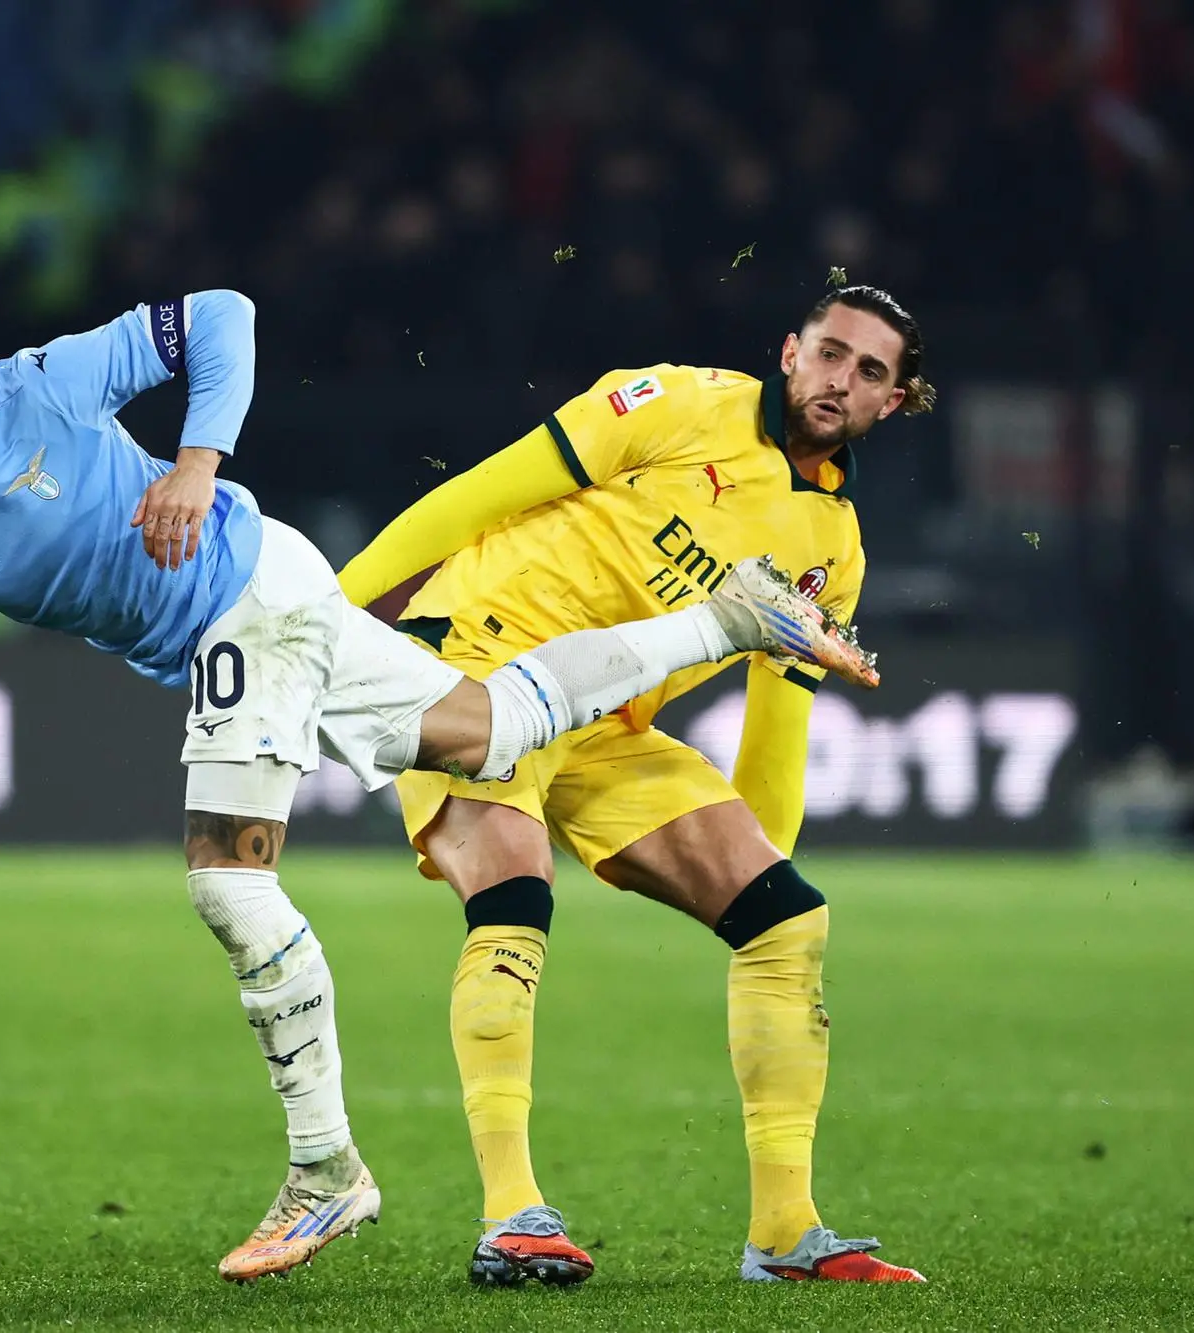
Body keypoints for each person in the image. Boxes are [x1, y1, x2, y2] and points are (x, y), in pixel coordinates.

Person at [0, 292, 876, 1282]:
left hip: (249, 595)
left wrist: (196, 461)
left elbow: (219, 315)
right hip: (283, 607)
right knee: (493, 725)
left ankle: (325, 1173)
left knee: (227, 881)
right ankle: (729, 619)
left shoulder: (31, 389)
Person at [336, 286, 934, 1286]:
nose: (841, 379)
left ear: (895, 401)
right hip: (483, 663)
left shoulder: (832, 549)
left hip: (609, 724)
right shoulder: (668, 402)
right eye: (830, 352)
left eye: (870, 371)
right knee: (516, 887)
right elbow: (478, 494)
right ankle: (510, 1215)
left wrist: (752, 880)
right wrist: (332, 613)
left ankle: (785, 1235)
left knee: (788, 921)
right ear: (790, 352)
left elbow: (775, 731)